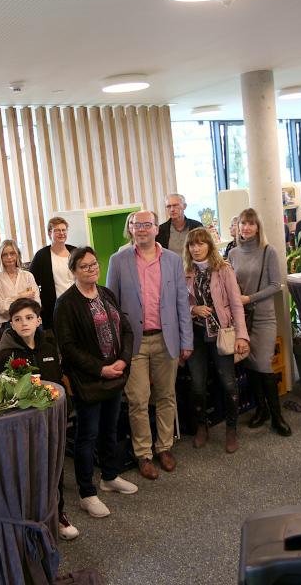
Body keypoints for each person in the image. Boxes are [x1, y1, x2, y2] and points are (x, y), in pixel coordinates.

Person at [107, 210, 192, 480]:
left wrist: (186, 340)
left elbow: (182, 302)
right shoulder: (118, 261)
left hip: (167, 340)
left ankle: (164, 446)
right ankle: (143, 452)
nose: (141, 229)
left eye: (146, 224)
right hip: (134, 344)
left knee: (167, 396)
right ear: (130, 229)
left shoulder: (173, 260)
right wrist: (117, 347)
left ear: (157, 228)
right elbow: (112, 308)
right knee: (138, 400)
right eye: (135, 224)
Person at [55, 247, 139, 518]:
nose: (92, 269)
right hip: (90, 380)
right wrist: (101, 369)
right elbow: (68, 347)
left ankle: (110, 476)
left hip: (116, 373)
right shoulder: (66, 304)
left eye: (94, 264)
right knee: (86, 436)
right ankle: (86, 492)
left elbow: (125, 328)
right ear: (74, 271)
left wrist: (123, 360)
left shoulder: (106, 293)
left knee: (110, 429)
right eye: (84, 266)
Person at [0, 298, 81, 540]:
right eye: (17, 319)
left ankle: (58, 515)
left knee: (55, 470)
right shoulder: (5, 357)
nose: (24, 323)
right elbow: (1, 395)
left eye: (29, 318)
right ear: (11, 324)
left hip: (51, 423)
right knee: (28, 475)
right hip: (21, 428)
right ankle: (29, 522)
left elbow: (60, 384)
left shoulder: (49, 348)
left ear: (39, 320)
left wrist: (65, 407)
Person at [183, 227, 249, 452]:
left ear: (209, 246)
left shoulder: (223, 270)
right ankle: (202, 426)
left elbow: (237, 304)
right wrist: (193, 308)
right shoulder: (184, 272)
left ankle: (231, 429)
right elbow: (178, 304)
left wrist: (242, 335)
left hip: (222, 334)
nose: (196, 248)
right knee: (198, 387)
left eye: (201, 243)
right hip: (196, 336)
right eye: (192, 244)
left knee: (228, 384)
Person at [228, 208, 291, 436]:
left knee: (263, 364)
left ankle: (277, 417)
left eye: (251, 224)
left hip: (263, 317)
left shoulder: (268, 251)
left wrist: (248, 298)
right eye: (243, 223)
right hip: (242, 319)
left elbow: (276, 285)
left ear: (258, 227)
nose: (246, 228)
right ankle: (261, 410)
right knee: (249, 364)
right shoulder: (233, 254)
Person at [31, 217, 76, 332]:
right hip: (56, 309)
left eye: (64, 230)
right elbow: (31, 283)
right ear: (49, 233)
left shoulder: (75, 252)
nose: (61, 233)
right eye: (57, 230)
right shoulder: (41, 256)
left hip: (77, 305)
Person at [0, 239, 39, 330]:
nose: (9, 257)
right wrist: (20, 296)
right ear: (0, 257)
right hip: (8, 323)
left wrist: (10, 301)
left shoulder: (27, 276)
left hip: (30, 319)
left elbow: (36, 303)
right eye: (5, 255)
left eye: (12, 253)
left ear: (17, 255)